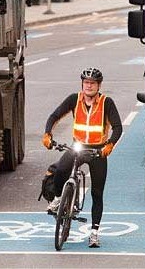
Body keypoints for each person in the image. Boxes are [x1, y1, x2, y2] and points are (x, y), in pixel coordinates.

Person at [42, 67, 122, 248]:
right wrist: (47, 134)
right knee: (61, 170)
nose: (89, 86)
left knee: (97, 193)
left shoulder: (106, 103)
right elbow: (54, 116)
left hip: (97, 151)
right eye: (86, 83)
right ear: (82, 84)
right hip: (78, 146)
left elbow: (118, 127)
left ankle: (94, 232)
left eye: (92, 83)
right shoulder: (74, 99)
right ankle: (57, 199)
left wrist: (109, 145)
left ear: (98, 86)